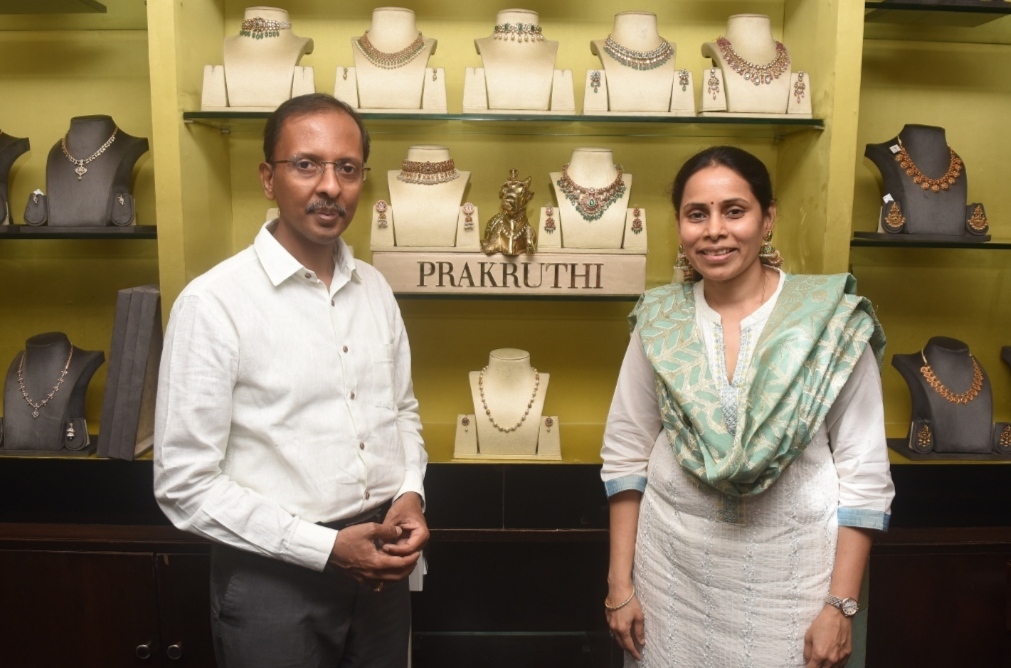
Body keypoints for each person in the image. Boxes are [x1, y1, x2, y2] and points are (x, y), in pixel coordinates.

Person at [153, 93, 428, 668]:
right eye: (307, 164)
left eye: (347, 169)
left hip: (380, 568)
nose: (330, 185)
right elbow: (184, 483)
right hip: (272, 583)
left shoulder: (374, 289)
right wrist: (326, 549)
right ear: (268, 179)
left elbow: (401, 412)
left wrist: (410, 492)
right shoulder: (214, 303)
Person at [600, 146, 894, 668]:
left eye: (734, 211)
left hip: (794, 584)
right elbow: (626, 454)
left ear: (767, 219)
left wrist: (840, 606)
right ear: (680, 225)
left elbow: (864, 473)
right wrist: (619, 584)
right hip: (672, 579)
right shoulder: (659, 322)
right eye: (697, 214)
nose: (714, 230)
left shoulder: (829, 323)